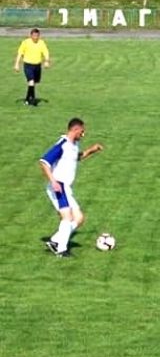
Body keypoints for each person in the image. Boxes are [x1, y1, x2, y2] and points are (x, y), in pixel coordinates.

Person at [39, 118, 104, 257]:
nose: (83, 134)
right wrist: (53, 182)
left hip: (66, 188)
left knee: (79, 218)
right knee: (67, 217)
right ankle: (61, 250)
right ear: (75, 130)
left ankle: (55, 240)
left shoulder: (74, 145)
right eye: (82, 131)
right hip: (58, 186)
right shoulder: (62, 145)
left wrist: (92, 150)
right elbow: (44, 162)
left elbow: (77, 157)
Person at [14, 28, 51, 106]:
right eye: (34, 35)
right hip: (28, 65)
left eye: (37, 36)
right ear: (30, 36)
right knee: (31, 81)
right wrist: (17, 64)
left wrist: (47, 61)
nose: (35, 37)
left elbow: (46, 52)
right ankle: (30, 100)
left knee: (34, 83)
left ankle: (29, 99)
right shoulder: (26, 42)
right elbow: (20, 53)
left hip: (37, 65)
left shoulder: (41, 43)